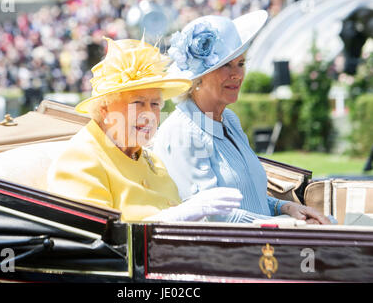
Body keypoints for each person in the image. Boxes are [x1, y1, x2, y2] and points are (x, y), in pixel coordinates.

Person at [153, 11, 331, 224]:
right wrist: (288, 225)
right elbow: (211, 217)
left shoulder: (229, 119)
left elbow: (249, 198)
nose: (237, 74)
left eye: (241, 63)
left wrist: (285, 207)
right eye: (225, 65)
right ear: (197, 78)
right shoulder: (183, 132)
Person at [47, 37, 243, 222]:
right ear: (104, 108)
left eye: (155, 104)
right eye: (138, 103)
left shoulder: (151, 160)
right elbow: (97, 240)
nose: (149, 114)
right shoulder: (79, 159)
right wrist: (174, 217)